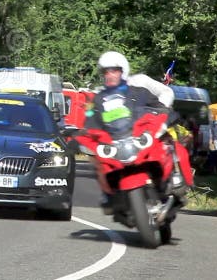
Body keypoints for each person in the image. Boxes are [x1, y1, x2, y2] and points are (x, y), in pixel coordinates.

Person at [82, 51, 191, 211]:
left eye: (114, 70)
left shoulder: (140, 81)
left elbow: (166, 92)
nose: (110, 75)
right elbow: (92, 119)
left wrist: (161, 112)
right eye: (106, 71)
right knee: (99, 160)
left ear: (123, 69)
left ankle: (176, 178)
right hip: (121, 139)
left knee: (168, 144)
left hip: (147, 130)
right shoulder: (101, 96)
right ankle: (110, 193)